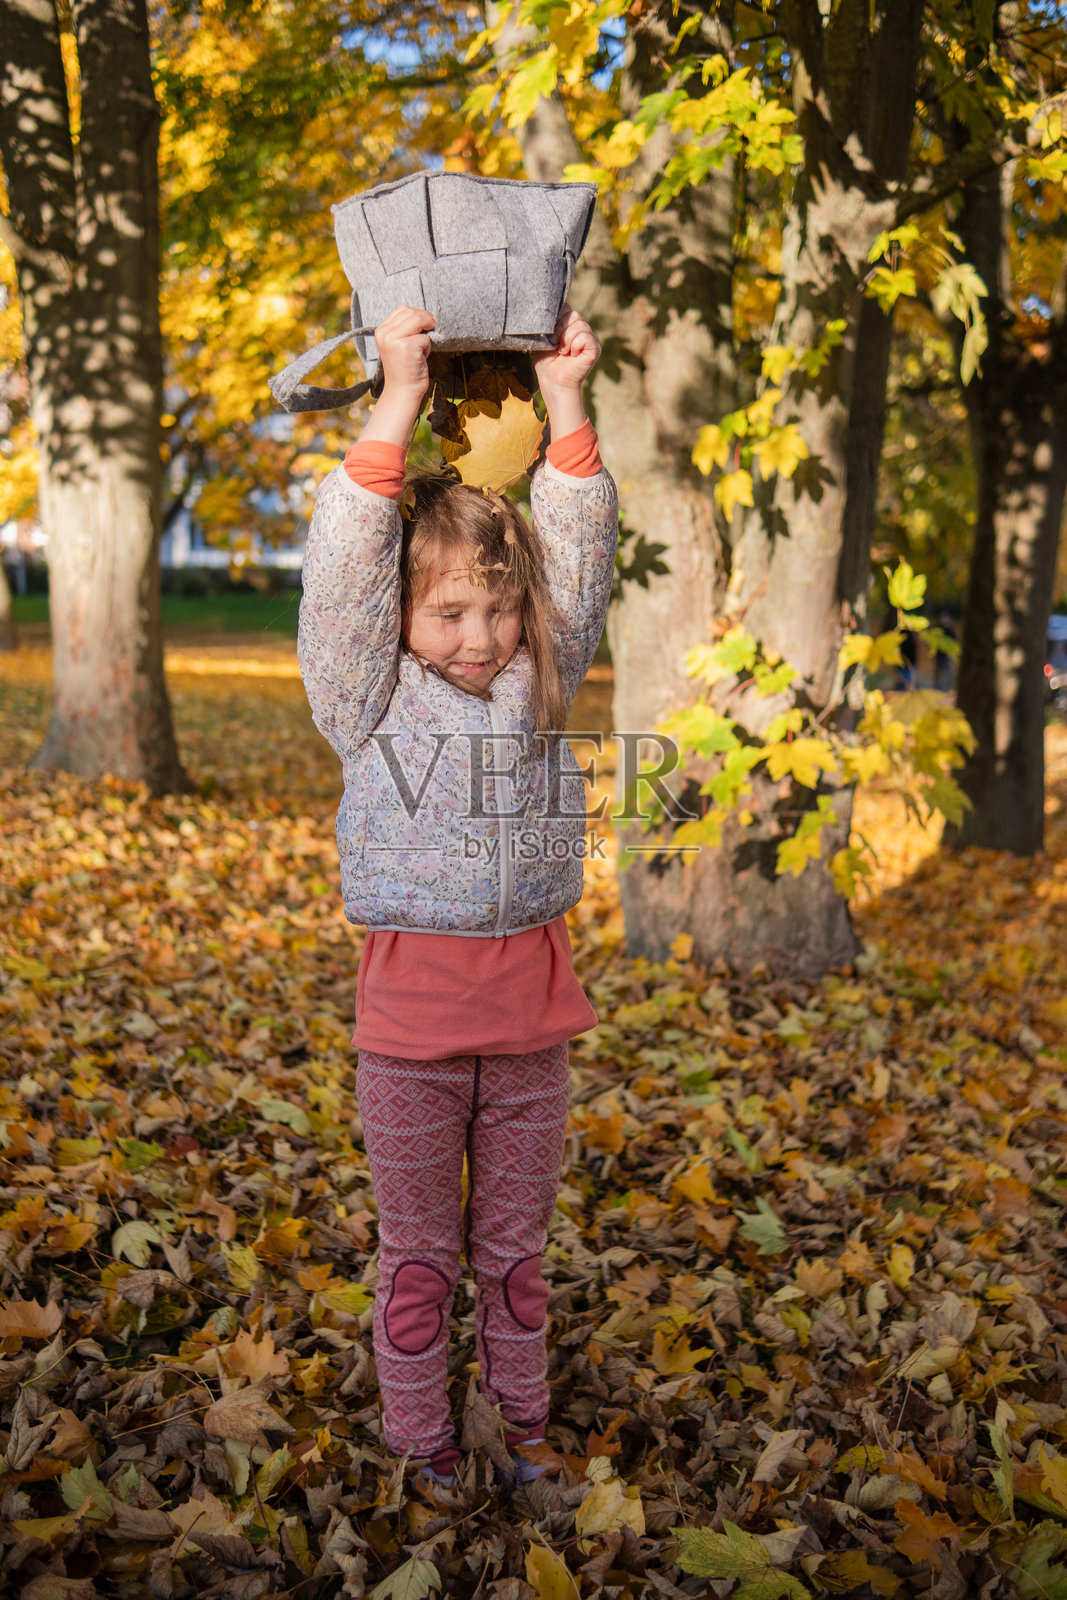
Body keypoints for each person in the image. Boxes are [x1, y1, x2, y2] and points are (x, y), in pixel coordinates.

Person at [297, 303, 618, 1490]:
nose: (480, 635)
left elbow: (575, 565)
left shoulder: (539, 677)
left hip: (531, 1037)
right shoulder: (364, 695)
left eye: (496, 609)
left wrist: (569, 406)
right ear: (396, 620)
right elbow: (339, 572)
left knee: (515, 1257)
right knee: (425, 1259)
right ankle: (421, 1443)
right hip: (413, 1044)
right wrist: (393, 401)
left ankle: (522, 1427)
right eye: (447, 612)